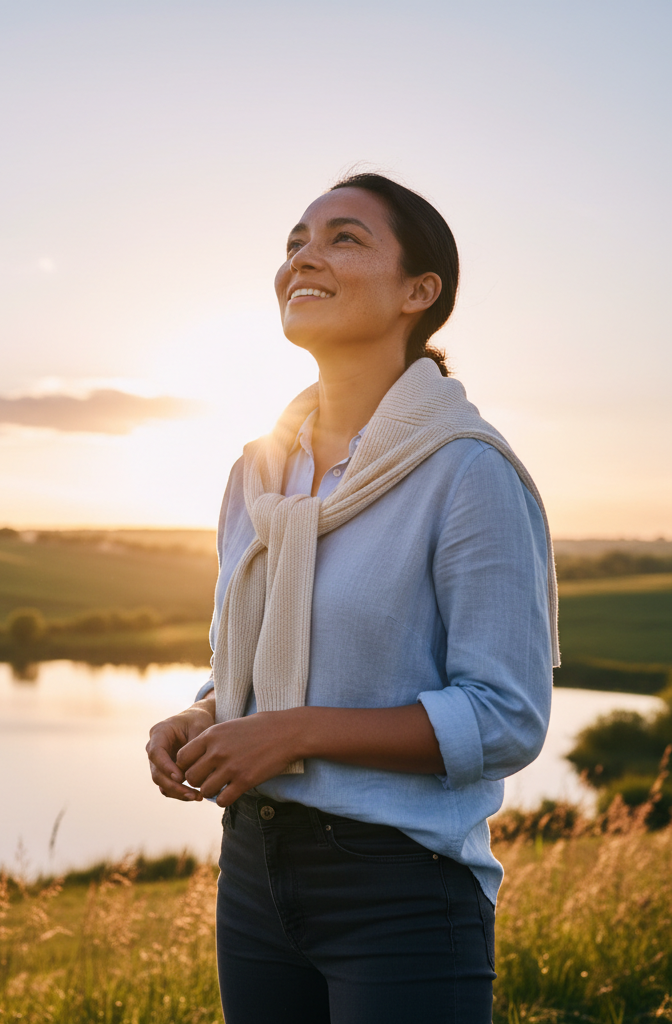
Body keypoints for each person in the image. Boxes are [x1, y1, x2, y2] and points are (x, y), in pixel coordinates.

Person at [145, 172, 556, 1024]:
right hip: (254, 872)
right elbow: (259, 658)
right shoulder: (257, 474)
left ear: (420, 291)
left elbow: (505, 717)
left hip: (401, 888)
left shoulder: (467, 472)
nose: (304, 255)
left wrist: (295, 732)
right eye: (295, 239)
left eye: (344, 238)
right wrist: (209, 712)